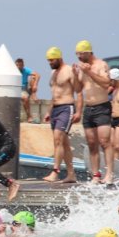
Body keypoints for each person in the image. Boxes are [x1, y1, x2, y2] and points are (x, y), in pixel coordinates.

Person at [74, 40, 114, 184]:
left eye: (81, 54)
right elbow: (78, 89)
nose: (78, 57)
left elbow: (106, 84)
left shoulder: (100, 65)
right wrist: (75, 74)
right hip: (88, 108)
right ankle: (96, 175)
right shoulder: (82, 67)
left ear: (88, 53)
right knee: (91, 143)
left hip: (102, 107)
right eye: (77, 54)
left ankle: (109, 173)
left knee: (105, 141)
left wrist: (88, 72)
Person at [42, 47, 81, 183]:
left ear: (59, 58)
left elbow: (78, 91)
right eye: (48, 61)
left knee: (57, 139)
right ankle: (71, 174)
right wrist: (48, 111)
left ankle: (55, 172)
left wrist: (78, 112)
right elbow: (54, 95)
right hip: (55, 109)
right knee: (64, 143)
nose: (50, 63)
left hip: (66, 108)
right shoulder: (54, 74)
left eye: (52, 60)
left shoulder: (69, 70)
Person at [15, 58, 40, 123]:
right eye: (17, 65)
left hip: (25, 88)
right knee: (25, 98)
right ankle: (29, 116)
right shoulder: (13, 71)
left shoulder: (25, 70)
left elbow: (38, 75)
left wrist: (35, 85)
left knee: (33, 77)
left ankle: (33, 94)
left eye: (20, 65)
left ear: (23, 65)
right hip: (17, 89)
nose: (18, 67)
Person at [110, 68, 119, 160]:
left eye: (111, 80)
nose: (110, 82)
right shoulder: (114, 90)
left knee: (118, 146)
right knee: (112, 145)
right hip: (113, 120)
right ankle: (113, 167)